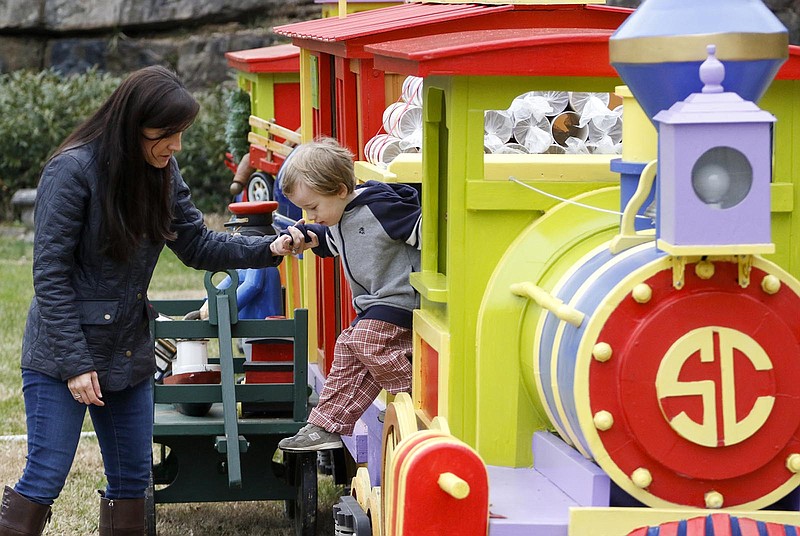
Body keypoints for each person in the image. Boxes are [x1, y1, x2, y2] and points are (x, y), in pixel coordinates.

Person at [0, 65, 294, 536]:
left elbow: (197, 244)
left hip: (127, 350)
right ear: (131, 124)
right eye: (165, 134)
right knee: (46, 475)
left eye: (179, 134)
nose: (175, 145)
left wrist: (269, 247)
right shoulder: (71, 170)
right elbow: (50, 276)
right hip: (61, 355)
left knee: (133, 485)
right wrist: (76, 364)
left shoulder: (163, 171)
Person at [270, 137, 421, 452]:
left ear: (340, 190)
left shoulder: (380, 207)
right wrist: (307, 237)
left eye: (313, 207)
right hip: (377, 305)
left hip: (402, 298)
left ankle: (417, 396)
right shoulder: (340, 216)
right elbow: (332, 242)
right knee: (348, 348)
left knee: (364, 341)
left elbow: (424, 230)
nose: (311, 216)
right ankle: (326, 426)